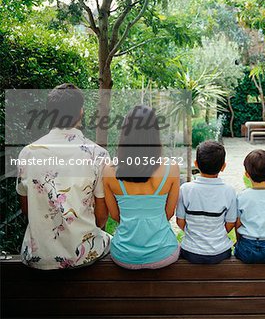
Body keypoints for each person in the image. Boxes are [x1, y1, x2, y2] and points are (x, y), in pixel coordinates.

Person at [16, 83, 110, 270]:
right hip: (82, 255)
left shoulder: (28, 153)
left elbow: (27, 209)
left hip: (37, 256)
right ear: (81, 112)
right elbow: (101, 215)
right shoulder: (97, 155)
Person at [103, 105, 180, 269]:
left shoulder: (109, 171)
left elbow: (115, 216)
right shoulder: (171, 168)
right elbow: (169, 213)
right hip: (163, 254)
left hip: (123, 256)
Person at [176, 141, 236, 264]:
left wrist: (194, 235)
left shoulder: (185, 189)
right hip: (220, 252)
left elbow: (180, 221)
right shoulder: (229, 191)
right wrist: (216, 236)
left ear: (196, 164)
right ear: (223, 166)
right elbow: (230, 223)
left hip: (190, 252)